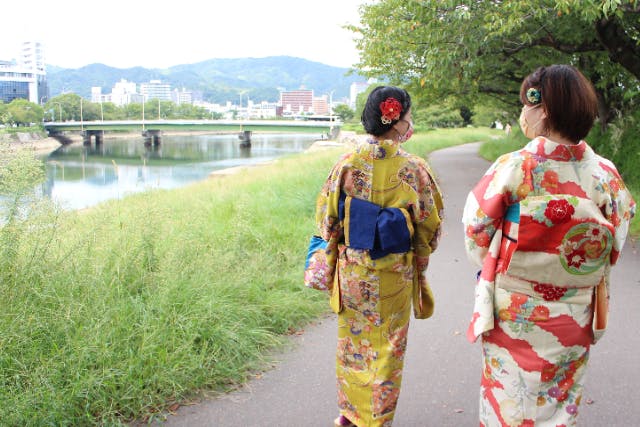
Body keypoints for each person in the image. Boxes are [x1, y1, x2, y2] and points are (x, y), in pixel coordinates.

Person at [462, 64, 636, 426]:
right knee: (560, 403)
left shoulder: (514, 167)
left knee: (508, 401)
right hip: (573, 311)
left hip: (515, 309)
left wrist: (507, 259)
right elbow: (613, 245)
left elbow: (476, 231)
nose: (522, 113)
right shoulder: (606, 174)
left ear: (543, 110)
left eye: (526, 104)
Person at [305, 86, 443, 426]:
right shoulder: (413, 168)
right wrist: (419, 258)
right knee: (387, 352)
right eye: (408, 116)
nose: (410, 122)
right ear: (395, 121)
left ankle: (350, 417)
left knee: (353, 347)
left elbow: (326, 221)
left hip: (353, 273)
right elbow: (430, 227)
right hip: (394, 276)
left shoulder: (346, 164)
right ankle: (378, 420)